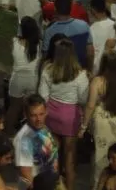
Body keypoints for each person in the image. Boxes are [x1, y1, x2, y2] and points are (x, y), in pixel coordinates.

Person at [38, 40, 89, 189]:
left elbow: (43, 96)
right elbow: (83, 99)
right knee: (70, 160)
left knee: (52, 157)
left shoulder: (48, 70)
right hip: (70, 117)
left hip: (51, 115)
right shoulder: (80, 74)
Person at [81, 50, 116, 190]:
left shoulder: (98, 81)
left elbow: (90, 105)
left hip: (103, 122)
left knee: (102, 156)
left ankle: (100, 184)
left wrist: (83, 126)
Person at [13, 95, 60, 185]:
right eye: (33, 115)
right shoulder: (24, 140)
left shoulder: (43, 127)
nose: (39, 119)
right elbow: (25, 174)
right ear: (25, 115)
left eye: (41, 114)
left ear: (46, 112)